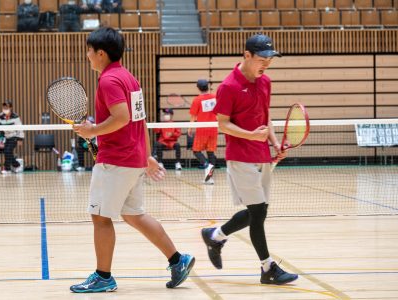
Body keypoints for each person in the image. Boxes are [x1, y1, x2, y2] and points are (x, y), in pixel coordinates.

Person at [71, 27, 195, 293]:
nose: (88, 56)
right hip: (133, 158)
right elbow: (139, 120)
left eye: (90, 51)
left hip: (116, 161)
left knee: (100, 217)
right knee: (134, 215)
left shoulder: (108, 81)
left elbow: (123, 117)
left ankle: (103, 276)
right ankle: (177, 260)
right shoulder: (129, 78)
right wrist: (147, 155)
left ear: (101, 53)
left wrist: (91, 130)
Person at [201, 34, 298, 285]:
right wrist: (250, 136)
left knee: (260, 212)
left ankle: (216, 235)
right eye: (262, 58)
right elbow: (223, 124)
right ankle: (268, 268)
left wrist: (275, 143)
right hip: (240, 156)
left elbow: (266, 118)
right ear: (247, 55)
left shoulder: (265, 81)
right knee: (257, 212)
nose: (266, 63)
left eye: (270, 58)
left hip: (262, 154)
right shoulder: (228, 86)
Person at [188, 79, 218, 184]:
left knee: (196, 151)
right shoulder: (215, 97)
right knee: (211, 152)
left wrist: (190, 128)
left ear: (198, 88)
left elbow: (193, 116)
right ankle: (210, 178)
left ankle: (206, 166)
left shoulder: (197, 100)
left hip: (202, 129)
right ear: (207, 87)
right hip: (214, 128)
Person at [0, 100, 24, 174]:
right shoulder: (1, 116)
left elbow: (20, 128)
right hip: (4, 137)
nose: (5, 108)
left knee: (7, 151)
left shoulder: (15, 116)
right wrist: (0, 140)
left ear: (11, 107)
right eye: (4, 107)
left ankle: (7, 169)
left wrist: (20, 139)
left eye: (7, 107)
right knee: (1, 151)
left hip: (13, 136)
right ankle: (17, 165)